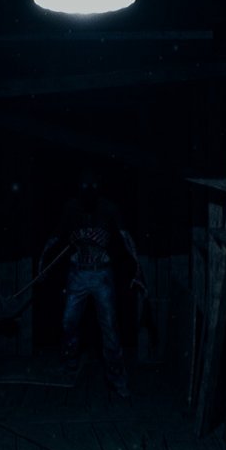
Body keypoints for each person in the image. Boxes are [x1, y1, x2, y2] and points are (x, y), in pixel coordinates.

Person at [39, 170, 145, 398]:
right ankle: (70, 364)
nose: (88, 190)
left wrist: (138, 268)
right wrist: (42, 261)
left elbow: (126, 237)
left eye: (92, 186)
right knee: (69, 322)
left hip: (101, 275)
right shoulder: (71, 208)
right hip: (77, 273)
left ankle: (117, 378)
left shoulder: (108, 208)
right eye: (85, 186)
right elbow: (56, 236)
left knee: (109, 327)